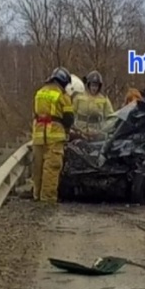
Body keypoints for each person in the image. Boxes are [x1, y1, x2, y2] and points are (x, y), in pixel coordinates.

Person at [31, 67, 75, 204]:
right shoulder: (63, 96)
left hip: (38, 136)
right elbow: (69, 118)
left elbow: (35, 113)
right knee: (52, 168)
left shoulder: (39, 92)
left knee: (38, 166)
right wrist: (67, 129)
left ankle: (36, 195)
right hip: (54, 136)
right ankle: (47, 200)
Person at [73, 70, 113, 137]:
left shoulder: (103, 99)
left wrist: (107, 128)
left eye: (96, 86)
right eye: (92, 85)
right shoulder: (79, 96)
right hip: (80, 130)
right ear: (88, 85)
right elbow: (71, 112)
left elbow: (110, 116)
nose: (94, 88)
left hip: (97, 131)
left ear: (99, 87)